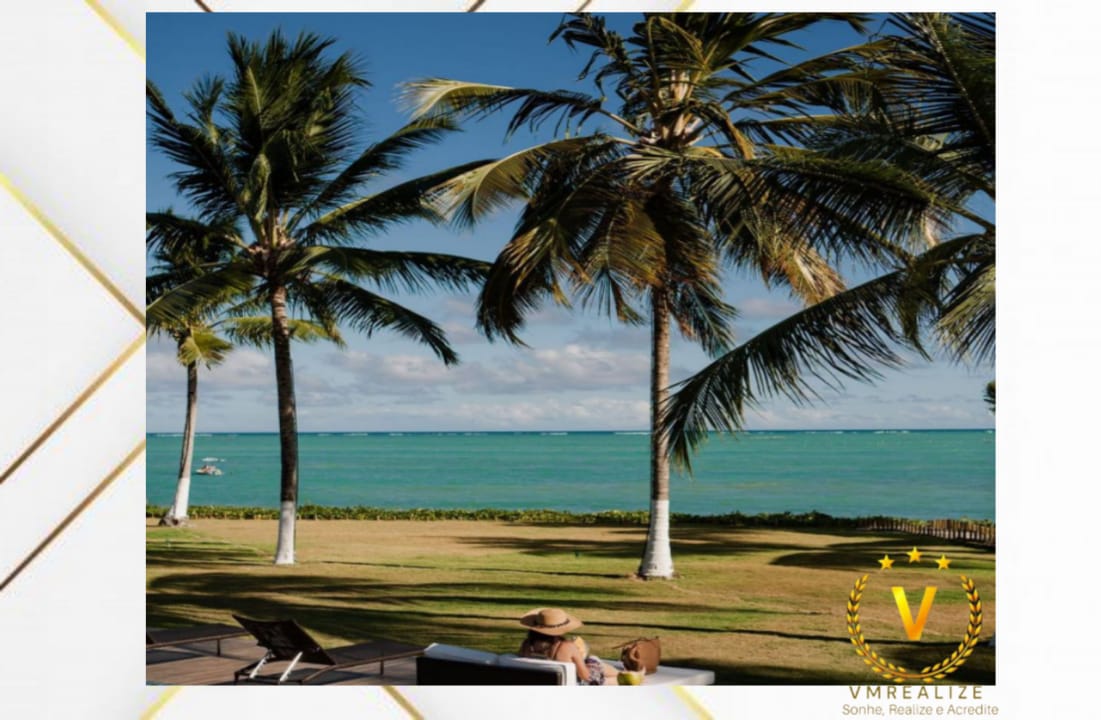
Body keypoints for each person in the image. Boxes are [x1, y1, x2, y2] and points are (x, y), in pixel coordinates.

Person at [518, 608, 617, 686]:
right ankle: (626, 674)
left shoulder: (526, 646)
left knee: (596, 664)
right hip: (576, 685)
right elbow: (585, 676)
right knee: (596, 663)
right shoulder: (566, 647)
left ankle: (625, 674)